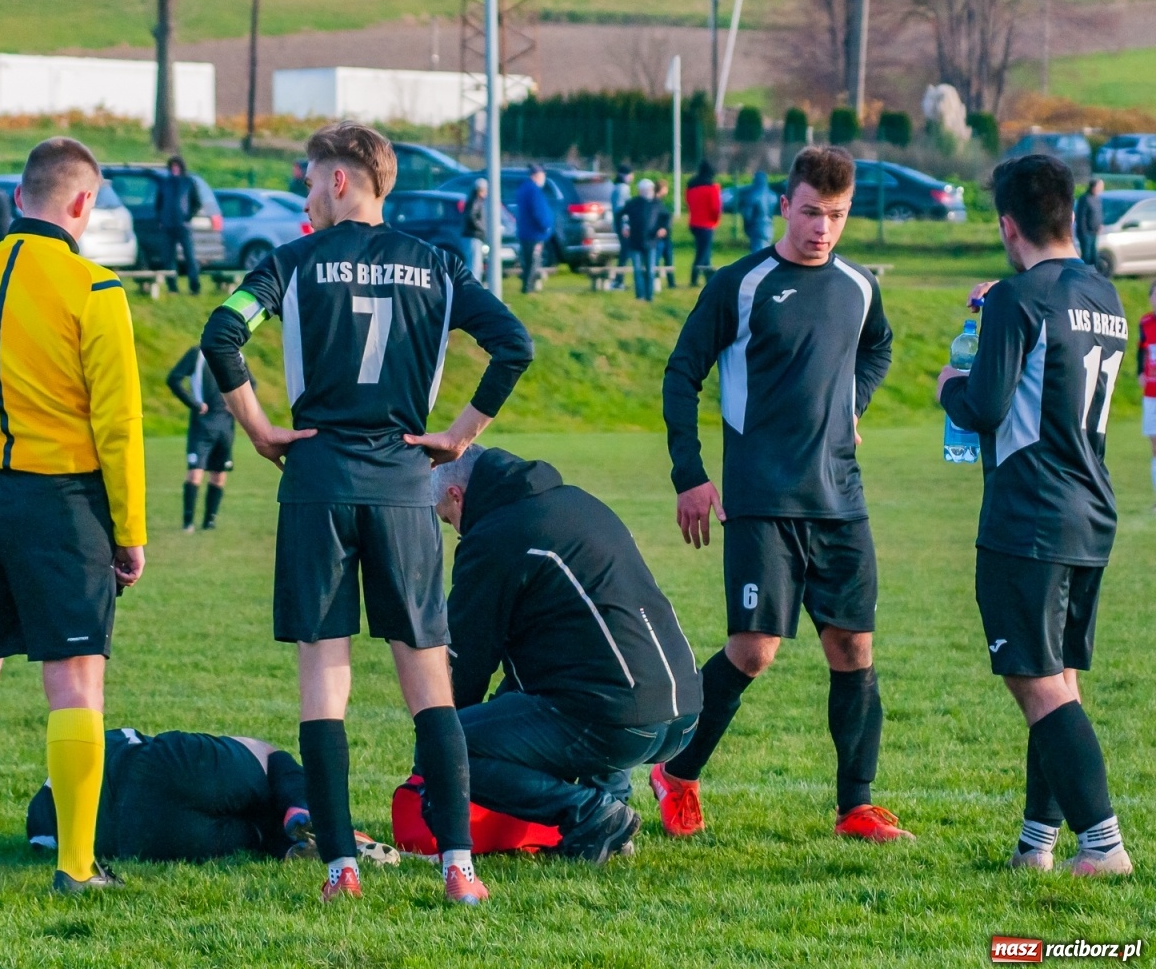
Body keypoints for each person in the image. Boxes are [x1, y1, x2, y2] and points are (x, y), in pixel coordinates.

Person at [200, 120, 534, 905]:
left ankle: (341, 867)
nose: (305, 194)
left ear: (342, 180)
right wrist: (459, 435)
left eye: (311, 179)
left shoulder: (289, 261)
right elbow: (514, 345)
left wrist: (258, 429)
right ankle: (460, 868)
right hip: (403, 485)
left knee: (325, 677)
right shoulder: (440, 266)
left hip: (316, 481)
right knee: (428, 678)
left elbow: (223, 334)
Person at [0, 136, 147, 895]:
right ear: (83, 203)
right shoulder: (96, 291)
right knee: (75, 686)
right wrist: (130, 528)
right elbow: (119, 422)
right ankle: (76, 867)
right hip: (61, 501)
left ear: (18, 196)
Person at [657, 146, 908, 844]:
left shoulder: (859, 287)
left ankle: (855, 805)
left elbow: (878, 347)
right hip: (760, 499)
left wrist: (854, 402)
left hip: (841, 499)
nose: (821, 229)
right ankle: (677, 772)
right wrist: (691, 475)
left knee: (853, 647)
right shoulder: (741, 284)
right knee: (753, 650)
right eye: (809, 213)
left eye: (835, 215)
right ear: (783, 206)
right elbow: (682, 375)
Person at [938, 154, 1134, 877]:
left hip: (1030, 516)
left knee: (1039, 685)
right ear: (1073, 214)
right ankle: (1036, 844)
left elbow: (986, 408)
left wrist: (949, 384)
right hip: (1090, 511)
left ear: (1006, 224)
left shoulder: (1020, 300)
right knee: (1060, 679)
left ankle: (1103, 844)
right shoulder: (1104, 294)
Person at [427, 445, 702, 864]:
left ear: (456, 495)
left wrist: (446, 748)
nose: (457, 531)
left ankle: (591, 812)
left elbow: (467, 659)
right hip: (683, 712)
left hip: (621, 721)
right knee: (597, 672)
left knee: (443, 746)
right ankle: (612, 812)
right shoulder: (578, 502)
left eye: (449, 520)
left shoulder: (493, 537)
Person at [23, 728, 398, 865]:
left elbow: (42, 846)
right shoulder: (91, 740)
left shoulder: (38, 814)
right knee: (266, 754)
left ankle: (286, 846)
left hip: (138, 840)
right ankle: (299, 809)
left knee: (250, 836)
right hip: (162, 765)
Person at [166, 343, 248, 531]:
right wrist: (195, 404)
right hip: (202, 425)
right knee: (196, 472)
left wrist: (238, 405)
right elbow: (174, 379)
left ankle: (209, 522)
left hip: (226, 427)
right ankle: (188, 523)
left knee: (219, 475)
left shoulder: (237, 355)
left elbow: (251, 384)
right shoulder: (197, 353)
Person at [157, 155, 203, 295]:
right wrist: (161, 219)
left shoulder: (189, 182)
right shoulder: (165, 183)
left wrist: (188, 217)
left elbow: (197, 202)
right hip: (168, 225)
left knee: (190, 256)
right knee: (169, 258)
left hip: (183, 226)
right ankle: (172, 287)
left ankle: (194, 287)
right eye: (172, 167)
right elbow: (158, 203)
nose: (174, 169)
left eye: (177, 166)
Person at [621, 178, 669, 301]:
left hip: (651, 241)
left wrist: (663, 228)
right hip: (635, 242)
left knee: (650, 271)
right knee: (637, 271)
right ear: (639, 191)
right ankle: (640, 296)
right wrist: (625, 227)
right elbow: (622, 215)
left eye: (649, 189)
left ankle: (649, 296)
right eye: (644, 190)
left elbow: (666, 217)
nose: (647, 192)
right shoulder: (633, 203)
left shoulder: (657, 204)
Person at [514, 165, 555, 295]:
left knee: (527, 260)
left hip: (524, 232)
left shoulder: (523, 188)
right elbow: (538, 212)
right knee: (533, 261)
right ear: (537, 176)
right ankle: (528, 287)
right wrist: (546, 226)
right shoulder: (534, 190)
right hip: (535, 233)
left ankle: (526, 285)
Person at [686, 159, 722, 287]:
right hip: (707, 224)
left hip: (694, 223)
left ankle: (708, 278)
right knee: (703, 253)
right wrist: (716, 220)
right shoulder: (712, 187)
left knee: (703, 251)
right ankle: (694, 278)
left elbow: (688, 203)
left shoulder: (691, 186)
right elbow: (715, 208)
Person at [1140, 280, 1156, 507]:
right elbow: (1141, 350)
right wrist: (1138, 372)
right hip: (1151, 393)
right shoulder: (1145, 323)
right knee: (1155, 445)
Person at [739, 170, 776, 254]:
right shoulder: (772, 195)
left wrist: (746, 226)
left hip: (756, 227)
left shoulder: (753, 195)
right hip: (769, 227)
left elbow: (747, 214)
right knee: (766, 254)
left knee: (758, 256)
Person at [1074, 178, 1104, 276]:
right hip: (1086, 233)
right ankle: (1083, 275)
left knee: (1093, 256)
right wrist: (1083, 232)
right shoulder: (1085, 199)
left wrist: (1099, 225)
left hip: (1094, 232)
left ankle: (1093, 275)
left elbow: (1098, 214)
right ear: (1093, 187)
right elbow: (1081, 217)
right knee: (1086, 256)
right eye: (1099, 186)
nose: (1101, 189)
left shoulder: (1097, 199)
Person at [461, 177, 489, 282]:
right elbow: (472, 217)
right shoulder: (476, 200)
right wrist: (482, 229)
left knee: (473, 264)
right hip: (473, 236)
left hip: (471, 236)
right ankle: (473, 287)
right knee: (474, 265)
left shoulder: (472, 199)